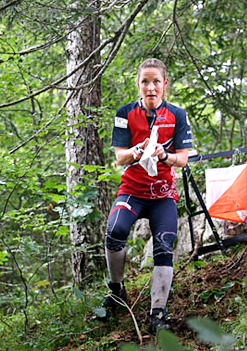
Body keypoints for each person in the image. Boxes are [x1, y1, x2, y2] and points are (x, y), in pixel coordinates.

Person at [101, 58, 192, 334]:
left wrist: (165, 155)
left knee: (164, 246)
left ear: (165, 84)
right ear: (138, 84)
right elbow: (119, 157)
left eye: (156, 82)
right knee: (114, 231)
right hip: (132, 190)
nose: (150, 87)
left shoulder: (177, 114)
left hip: (163, 194)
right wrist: (136, 152)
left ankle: (157, 314)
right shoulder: (125, 113)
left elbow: (184, 159)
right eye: (145, 82)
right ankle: (117, 291)